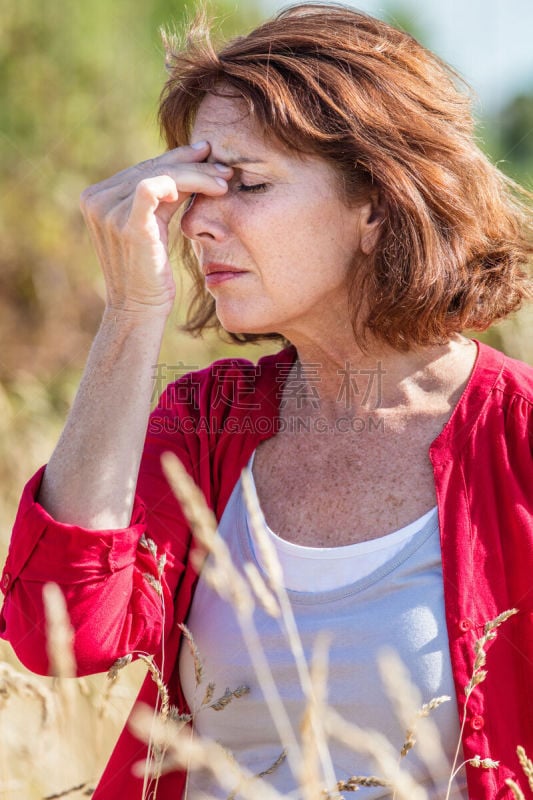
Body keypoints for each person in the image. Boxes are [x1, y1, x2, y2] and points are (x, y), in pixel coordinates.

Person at [1, 3, 532, 799]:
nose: (196, 224)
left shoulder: (517, 437)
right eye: (192, 188)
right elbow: (62, 635)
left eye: (243, 182)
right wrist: (130, 313)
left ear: (376, 205)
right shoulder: (209, 422)